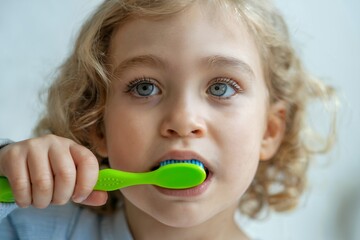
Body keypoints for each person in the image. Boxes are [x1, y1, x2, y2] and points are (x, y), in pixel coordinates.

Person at [0, 0, 336, 239]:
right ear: (97, 124)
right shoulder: (34, 223)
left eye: (221, 87)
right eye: (145, 87)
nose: (183, 119)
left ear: (270, 131)